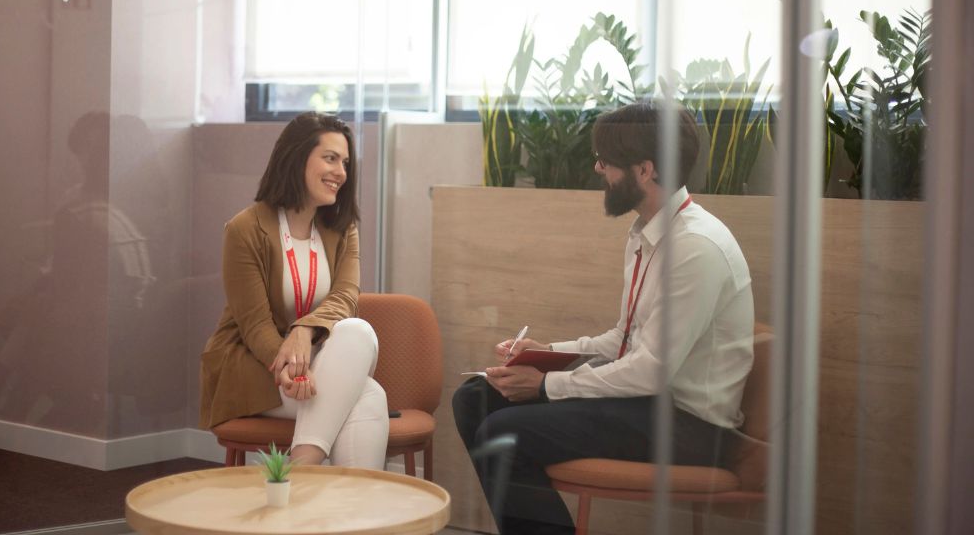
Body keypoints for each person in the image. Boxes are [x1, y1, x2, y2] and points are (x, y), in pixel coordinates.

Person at [452, 101, 755, 535]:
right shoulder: (647, 234)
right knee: (474, 397)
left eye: (606, 161)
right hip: (647, 404)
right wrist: (548, 354)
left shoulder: (694, 249)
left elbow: (651, 372)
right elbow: (625, 339)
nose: (599, 169)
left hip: (690, 425)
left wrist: (544, 385)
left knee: (506, 433)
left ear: (645, 170)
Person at [199, 112, 388, 468]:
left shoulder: (342, 228)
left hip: (320, 360)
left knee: (356, 329)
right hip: (256, 369)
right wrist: (291, 368)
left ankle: (301, 471)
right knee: (368, 395)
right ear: (297, 157)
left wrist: (305, 330)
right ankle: (349, 513)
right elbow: (254, 326)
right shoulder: (245, 229)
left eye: (345, 162)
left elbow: (346, 297)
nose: (341, 172)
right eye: (330, 158)